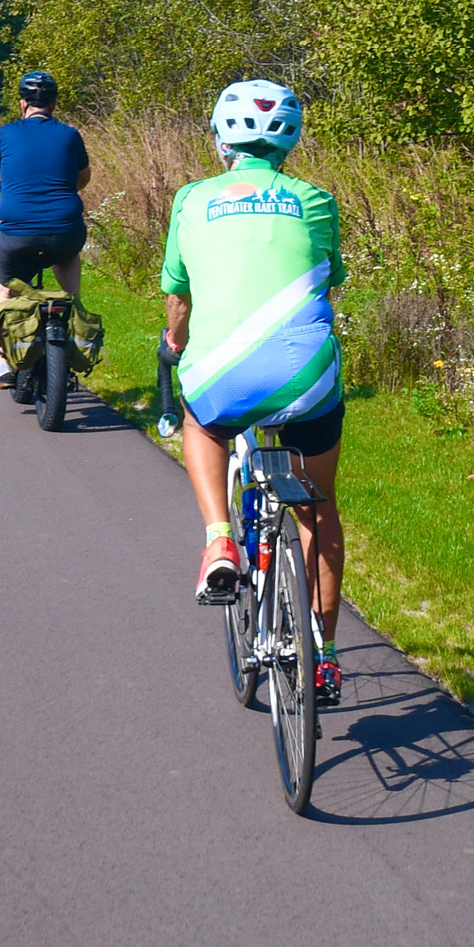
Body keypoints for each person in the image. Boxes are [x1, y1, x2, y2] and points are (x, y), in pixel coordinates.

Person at [161, 78, 344, 704]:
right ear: (291, 142)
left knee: (202, 423)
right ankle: (324, 657)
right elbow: (326, 281)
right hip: (306, 375)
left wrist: (177, 340)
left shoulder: (191, 199)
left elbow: (178, 295)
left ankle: (219, 537)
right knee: (318, 508)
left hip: (222, 374)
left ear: (221, 140)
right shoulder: (317, 199)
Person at [0, 71, 91, 390]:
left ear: (23, 104)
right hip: (66, 231)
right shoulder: (70, 135)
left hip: (17, 236)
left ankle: (5, 367)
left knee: (5, 290)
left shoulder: (7, 133)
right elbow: (83, 179)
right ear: (53, 105)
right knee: (67, 260)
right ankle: (73, 315)